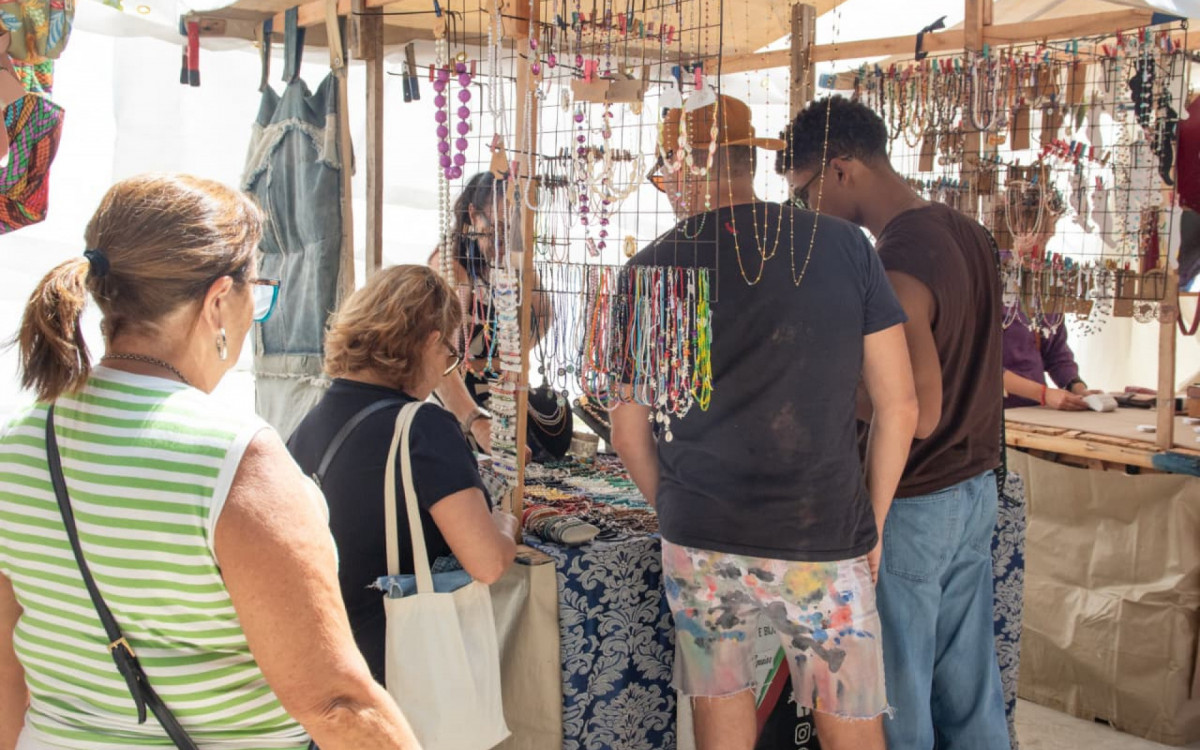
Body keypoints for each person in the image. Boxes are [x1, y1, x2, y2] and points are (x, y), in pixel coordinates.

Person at [0, 174, 419, 750]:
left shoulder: (20, 440)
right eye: (256, 292)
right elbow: (337, 703)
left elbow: (8, 666)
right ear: (219, 299)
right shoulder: (237, 457)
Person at [611, 94, 919, 750]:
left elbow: (627, 433)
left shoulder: (648, 271)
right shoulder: (844, 247)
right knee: (850, 723)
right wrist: (873, 522)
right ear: (749, 162)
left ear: (683, 168)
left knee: (721, 709)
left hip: (701, 533)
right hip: (822, 530)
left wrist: (675, 510)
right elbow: (900, 405)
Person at [781, 95, 1009, 749]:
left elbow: (915, 407)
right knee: (968, 695)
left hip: (915, 499)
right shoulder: (964, 231)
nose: (806, 212)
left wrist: (817, 381)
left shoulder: (900, 254)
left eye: (804, 193)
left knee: (898, 700)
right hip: (972, 488)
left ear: (841, 169)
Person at [287, 264, 517, 685]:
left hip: (329, 653)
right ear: (430, 342)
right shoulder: (423, 428)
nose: (445, 369)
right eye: (450, 357)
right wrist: (505, 523)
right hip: (397, 661)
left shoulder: (312, 421)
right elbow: (487, 562)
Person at [427, 172, 570, 460]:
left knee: (557, 416)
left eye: (514, 230)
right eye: (497, 228)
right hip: (460, 396)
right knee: (508, 439)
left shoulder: (509, 261)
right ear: (473, 215)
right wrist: (475, 416)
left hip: (502, 388)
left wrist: (512, 356)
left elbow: (544, 314)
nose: (504, 239)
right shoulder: (451, 268)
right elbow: (442, 358)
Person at [1002, 185, 1094, 410]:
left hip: (1036, 409)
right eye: (1039, 238)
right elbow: (977, 364)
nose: (1042, 248)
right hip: (997, 410)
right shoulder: (989, 276)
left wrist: (1077, 388)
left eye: (1047, 238)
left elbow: (1056, 352)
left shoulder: (1046, 281)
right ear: (1016, 228)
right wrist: (1044, 394)